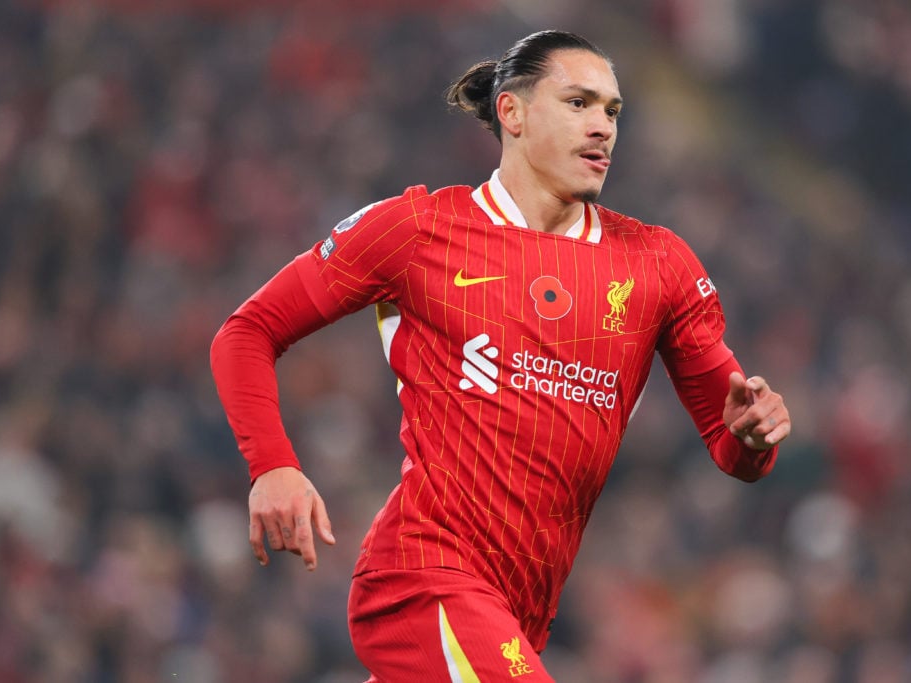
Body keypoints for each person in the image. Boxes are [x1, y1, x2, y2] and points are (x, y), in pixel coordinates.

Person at [211, 29, 790, 682]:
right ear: (511, 113)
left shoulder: (658, 264)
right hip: (422, 577)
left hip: (517, 615)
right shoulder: (419, 229)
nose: (601, 126)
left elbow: (733, 443)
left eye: (612, 110)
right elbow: (247, 330)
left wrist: (754, 434)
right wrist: (273, 467)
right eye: (578, 103)